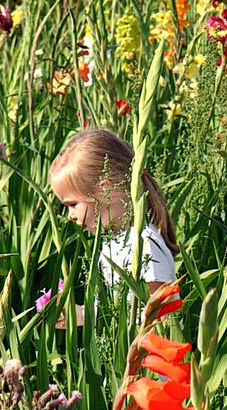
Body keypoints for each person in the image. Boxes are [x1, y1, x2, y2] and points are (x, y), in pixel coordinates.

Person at [47, 127, 179, 304]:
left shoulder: (144, 244)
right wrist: (80, 316)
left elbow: (162, 317)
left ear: (106, 189)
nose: (70, 216)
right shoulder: (115, 243)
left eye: (72, 204)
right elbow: (115, 313)